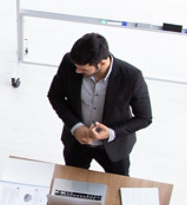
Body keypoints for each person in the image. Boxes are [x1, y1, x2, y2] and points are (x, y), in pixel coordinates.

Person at [47, 33, 153, 176]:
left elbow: (144, 118)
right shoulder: (69, 62)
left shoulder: (131, 77)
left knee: (117, 187)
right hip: (76, 144)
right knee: (72, 183)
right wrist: (76, 126)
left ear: (102, 63)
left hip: (114, 148)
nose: (77, 71)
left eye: (83, 70)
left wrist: (111, 133)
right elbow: (55, 96)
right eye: (76, 67)